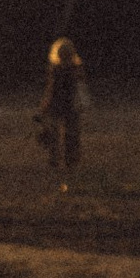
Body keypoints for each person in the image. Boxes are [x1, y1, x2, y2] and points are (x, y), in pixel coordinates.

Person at [37, 36, 88, 188]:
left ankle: (55, 160)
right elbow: (81, 87)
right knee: (71, 134)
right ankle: (71, 161)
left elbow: (51, 89)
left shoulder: (56, 69)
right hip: (71, 105)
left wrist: (44, 105)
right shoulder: (76, 68)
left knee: (54, 134)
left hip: (58, 104)